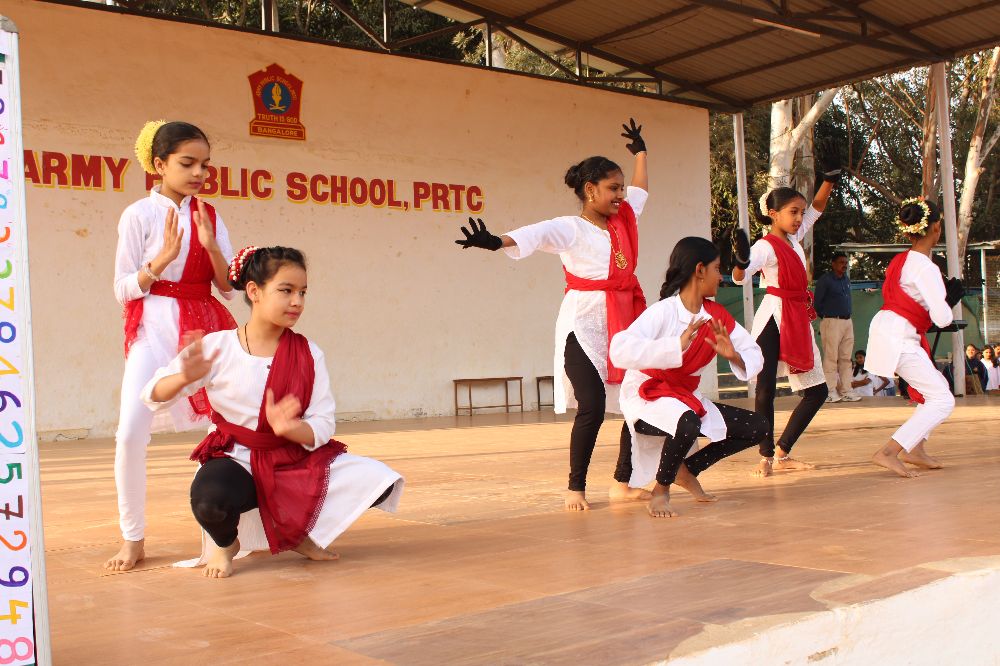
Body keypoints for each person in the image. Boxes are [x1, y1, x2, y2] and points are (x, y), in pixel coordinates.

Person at [142, 246, 403, 578]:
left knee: (379, 481)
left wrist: (291, 429)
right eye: (286, 290)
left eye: (303, 292)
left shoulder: (309, 353)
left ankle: (296, 533)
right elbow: (152, 394)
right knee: (210, 502)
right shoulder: (218, 346)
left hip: (291, 458)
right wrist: (183, 378)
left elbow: (323, 423)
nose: (297, 301)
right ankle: (227, 544)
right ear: (254, 291)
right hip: (236, 458)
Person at [454, 120, 650, 511]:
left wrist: (641, 153)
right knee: (592, 405)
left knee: (635, 402)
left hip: (624, 321)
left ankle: (622, 483)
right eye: (613, 188)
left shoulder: (624, 220)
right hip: (583, 324)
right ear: (590, 190)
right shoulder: (571, 228)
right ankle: (575, 488)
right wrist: (496, 241)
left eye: (621, 188)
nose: (620, 195)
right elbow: (536, 234)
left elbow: (641, 190)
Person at [106, 121, 238, 572]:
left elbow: (229, 288)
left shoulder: (211, 215)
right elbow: (122, 289)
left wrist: (211, 247)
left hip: (202, 327)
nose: (199, 172)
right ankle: (133, 538)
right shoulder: (138, 215)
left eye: (205, 165)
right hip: (152, 327)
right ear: (159, 164)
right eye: (188, 163)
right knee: (130, 433)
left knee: (219, 431)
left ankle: (220, 537)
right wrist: (159, 261)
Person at [610, 237, 766, 518]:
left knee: (758, 426)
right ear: (699, 270)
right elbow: (619, 350)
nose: (721, 277)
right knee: (688, 421)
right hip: (647, 394)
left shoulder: (716, 316)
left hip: (685, 397)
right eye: (717, 269)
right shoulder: (664, 311)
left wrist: (734, 356)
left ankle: (687, 469)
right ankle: (661, 490)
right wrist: (674, 346)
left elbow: (753, 353)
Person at [731, 178, 838, 478]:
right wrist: (740, 261)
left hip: (796, 316)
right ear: (773, 214)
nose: (800, 218)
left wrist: (829, 181)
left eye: (801, 212)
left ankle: (782, 452)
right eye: (793, 212)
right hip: (773, 318)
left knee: (817, 391)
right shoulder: (765, 246)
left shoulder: (794, 237)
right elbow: (740, 277)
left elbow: (817, 208)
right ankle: (765, 456)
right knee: (765, 389)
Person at [864, 198, 964, 477]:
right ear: (936, 228)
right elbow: (942, 319)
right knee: (942, 399)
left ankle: (915, 448)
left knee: (935, 390)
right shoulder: (926, 267)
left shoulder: (902, 260)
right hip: (899, 336)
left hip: (891, 330)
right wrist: (948, 301)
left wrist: (941, 300)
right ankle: (889, 451)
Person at [815, 252, 861, 402]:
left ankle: (846, 390)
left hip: (847, 321)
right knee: (831, 358)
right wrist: (827, 317)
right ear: (833, 264)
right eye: (841, 262)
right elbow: (817, 303)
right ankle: (829, 391)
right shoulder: (825, 280)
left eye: (846, 262)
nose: (844, 265)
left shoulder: (846, 279)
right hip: (832, 321)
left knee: (846, 358)